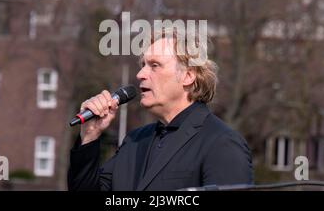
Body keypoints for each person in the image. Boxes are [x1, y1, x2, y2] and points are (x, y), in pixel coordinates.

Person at [68, 28, 253, 191]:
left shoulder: (221, 142)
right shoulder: (134, 140)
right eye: (143, 66)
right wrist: (90, 136)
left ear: (188, 76)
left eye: (154, 65)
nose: (140, 74)